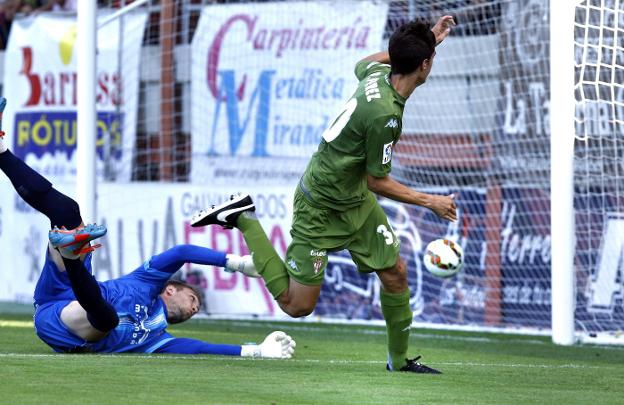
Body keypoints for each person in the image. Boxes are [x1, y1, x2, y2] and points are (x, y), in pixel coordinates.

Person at [191, 16, 457, 373]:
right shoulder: (385, 117)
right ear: (423, 65)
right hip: (320, 206)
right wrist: (432, 202)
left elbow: (361, 63)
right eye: (429, 58)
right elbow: (378, 181)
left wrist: (430, 43)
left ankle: (399, 361)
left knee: (395, 272)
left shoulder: (378, 74)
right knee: (297, 306)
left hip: (356, 202)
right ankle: (244, 218)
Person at [0, 97, 295, 357]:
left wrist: (257, 350)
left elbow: (202, 348)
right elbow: (182, 251)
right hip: (61, 290)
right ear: (169, 289)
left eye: (196, 307)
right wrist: (238, 263)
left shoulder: (157, 340)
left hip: (64, 322)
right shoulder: (146, 281)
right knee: (68, 210)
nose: (194, 308)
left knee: (106, 319)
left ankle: (71, 255)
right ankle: (2, 150)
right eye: (192, 298)